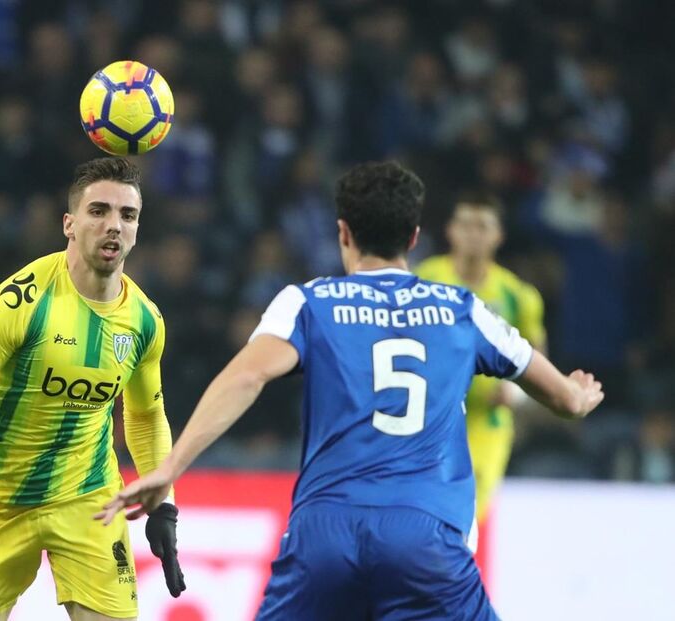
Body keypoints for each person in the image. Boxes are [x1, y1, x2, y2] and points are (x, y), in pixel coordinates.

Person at [97, 161, 603, 620]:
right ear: (415, 235)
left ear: (343, 232)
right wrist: (579, 394)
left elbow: (245, 377)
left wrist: (170, 468)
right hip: (426, 538)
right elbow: (561, 398)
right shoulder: (463, 309)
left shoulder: (308, 302)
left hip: (325, 535)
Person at [0, 157, 185, 621]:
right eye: (99, 211)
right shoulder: (18, 301)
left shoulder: (146, 319)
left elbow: (145, 416)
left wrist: (163, 501)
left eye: (127, 216)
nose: (113, 226)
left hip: (88, 498)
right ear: (69, 223)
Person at [415, 191, 546, 525]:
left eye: (482, 226)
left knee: (464, 517)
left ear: (498, 235)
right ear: (450, 231)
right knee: (423, 509)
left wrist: (516, 394)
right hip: (429, 414)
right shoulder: (425, 279)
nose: (473, 233)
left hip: (487, 420)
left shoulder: (517, 295)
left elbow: (537, 356)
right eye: (465, 224)